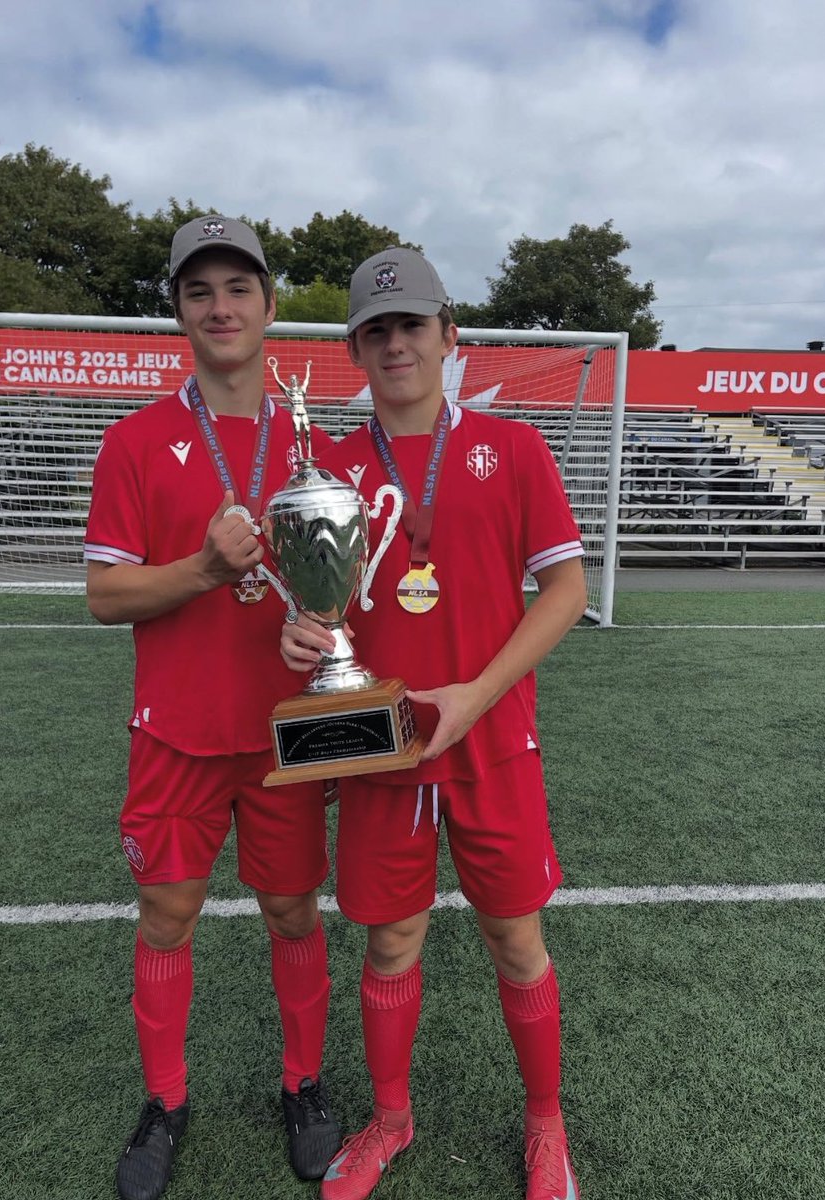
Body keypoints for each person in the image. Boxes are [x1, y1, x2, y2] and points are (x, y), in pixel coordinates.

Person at [280, 248, 587, 1200]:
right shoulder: (325, 467)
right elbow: (309, 603)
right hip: (383, 746)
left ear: (449, 338)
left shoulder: (514, 448)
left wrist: (474, 695)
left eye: (412, 325)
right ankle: (391, 1120)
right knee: (390, 942)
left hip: (491, 739)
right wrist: (300, 634)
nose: (396, 344)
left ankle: (547, 1131)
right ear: (354, 352)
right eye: (376, 331)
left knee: (515, 940)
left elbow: (566, 590)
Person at [84, 214, 342, 1200]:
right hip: (177, 736)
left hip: (288, 732)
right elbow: (106, 597)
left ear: (271, 308)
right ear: (180, 313)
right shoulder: (137, 440)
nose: (221, 306)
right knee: (166, 915)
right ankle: (165, 1100)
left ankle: (303, 1083)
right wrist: (201, 567)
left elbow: (342, 586)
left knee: (290, 910)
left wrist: (316, 622)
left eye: (239, 288)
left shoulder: (314, 438)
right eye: (200, 291)